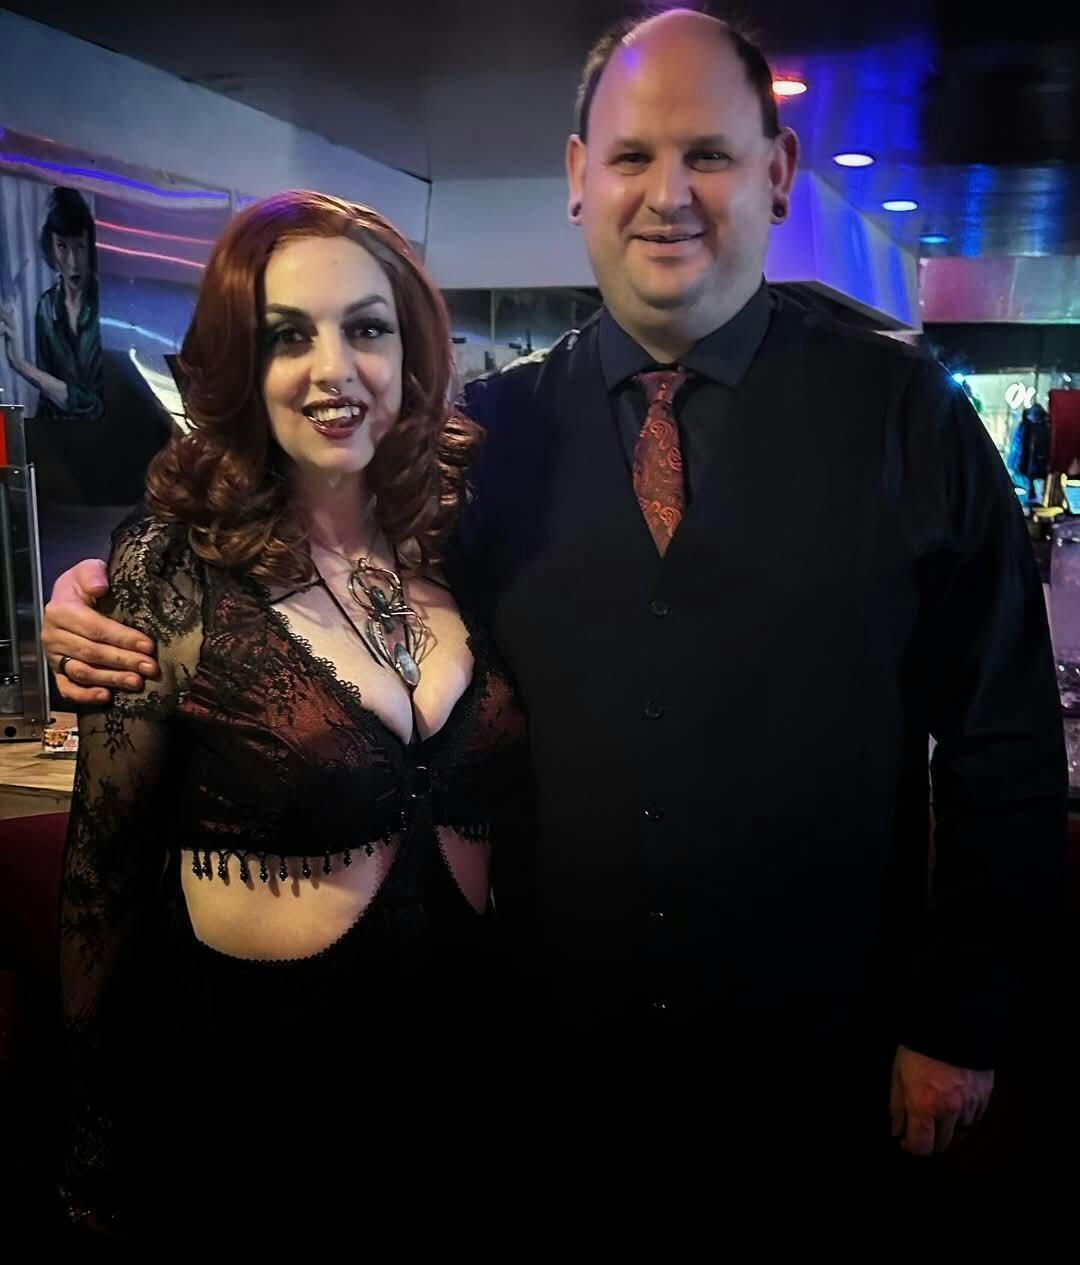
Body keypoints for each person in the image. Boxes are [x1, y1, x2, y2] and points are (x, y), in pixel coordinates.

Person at [43, 11, 1066, 1186]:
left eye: (709, 154)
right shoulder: (489, 436)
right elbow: (315, 557)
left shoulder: (908, 418)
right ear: (580, 177)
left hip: (823, 1061)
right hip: (541, 1078)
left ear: (779, 173)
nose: (668, 194)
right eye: (632, 155)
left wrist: (961, 1014)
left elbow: (1003, 740)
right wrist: (111, 590)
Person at [48, 189, 530, 1238]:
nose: (333, 368)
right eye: (287, 336)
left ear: (410, 351)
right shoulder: (170, 570)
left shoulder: (460, 544)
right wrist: (89, 1156)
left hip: (467, 1104)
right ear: (238, 362)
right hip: (251, 1124)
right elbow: (101, 884)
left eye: (366, 328)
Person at [0, 186, 105, 419]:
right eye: (62, 246)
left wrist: (20, 364)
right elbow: (48, 396)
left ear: (91, 247)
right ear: (51, 247)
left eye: (80, 246)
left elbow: (94, 405)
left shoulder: (106, 308)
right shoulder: (46, 308)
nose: (72, 261)